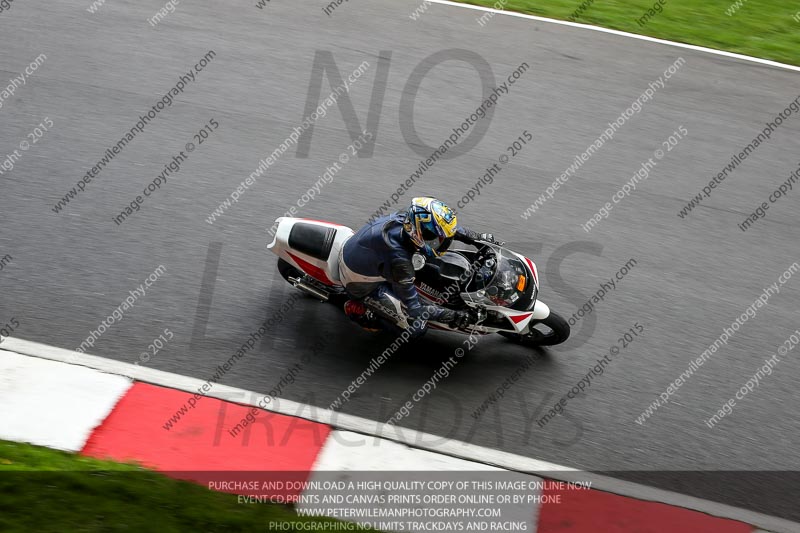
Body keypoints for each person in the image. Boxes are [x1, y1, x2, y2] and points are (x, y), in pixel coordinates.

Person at [338, 196, 502, 338]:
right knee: (416, 328)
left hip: (369, 255)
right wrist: (455, 315)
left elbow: (449, 229)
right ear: (417, 232)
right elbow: (415, 309)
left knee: (430, 269)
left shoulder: (410, 219)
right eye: (435, 239)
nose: (442, 243)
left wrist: (478, 239)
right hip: (360, 282)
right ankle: (359, 311)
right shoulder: (401, 261)